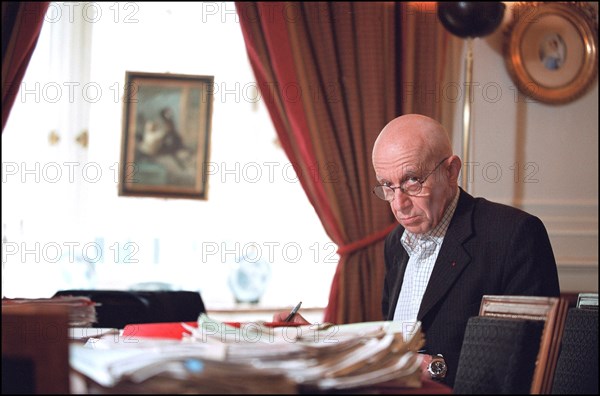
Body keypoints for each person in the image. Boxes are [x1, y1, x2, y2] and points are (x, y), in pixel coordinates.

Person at [274, 114, 560, 388]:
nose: (399, 204)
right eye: (387, 185)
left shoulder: (513, 235)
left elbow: (530, 360)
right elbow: (392, 348)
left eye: (412, 180)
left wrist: (435, 367)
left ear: (451, 171)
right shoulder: (395, 242)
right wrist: (319, 338)